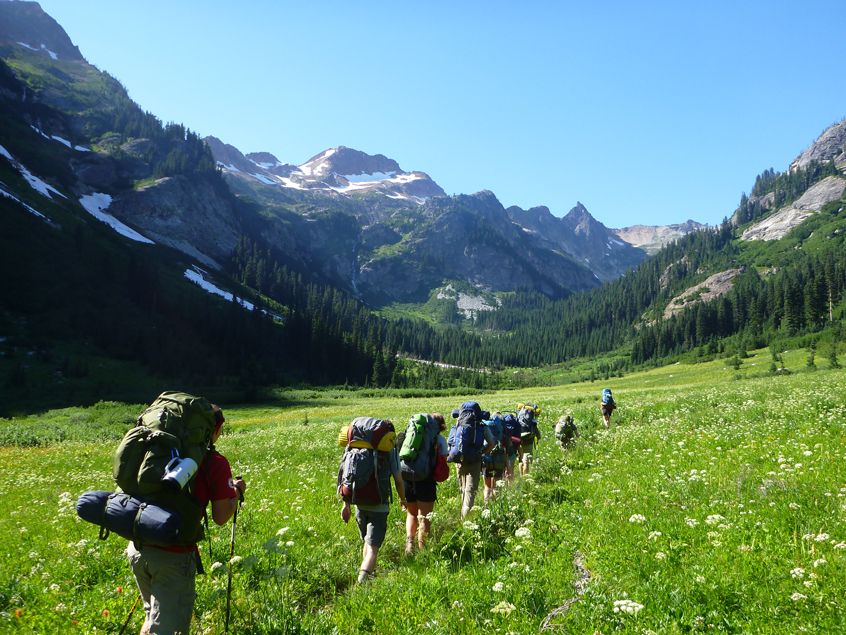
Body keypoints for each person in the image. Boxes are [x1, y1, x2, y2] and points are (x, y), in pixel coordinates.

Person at [126, 405, 247, 635]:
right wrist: (237, 493)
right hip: (173, 556)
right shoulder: (215, 462)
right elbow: (221, 517)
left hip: (137, 544)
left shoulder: (159, 452)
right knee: (167, 629)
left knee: (152, 616)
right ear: (215, 429)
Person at [340, 419, 407, 583]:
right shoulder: (389, 450)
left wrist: (345, 504)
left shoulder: (353, 448)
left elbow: (345, 477)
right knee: (372, 547)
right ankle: (362, 582)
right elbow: (398, 481)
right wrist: (403, 499)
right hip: (379, 503)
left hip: (358, 501)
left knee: (366, 542)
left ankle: (368, 574)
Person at [403, 413, 449, 554]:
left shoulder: (412, 434)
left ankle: (410, 544)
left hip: (407, 477)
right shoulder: (439, 439)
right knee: (424, 517)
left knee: (411, 513)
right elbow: (443, 461)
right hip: (426, 479)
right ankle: (423, 552)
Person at [449, 403, 495, 519]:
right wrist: (481, 452)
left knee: (463, 489)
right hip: (474, 460)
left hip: (459, 460)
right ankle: (465, 519)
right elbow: (492, 444)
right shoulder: (481, 427)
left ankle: (462, 515)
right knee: (470, 490)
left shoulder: (457, 426)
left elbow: (450, 444)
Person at [482, 412, 511, 502]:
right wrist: (507, 467)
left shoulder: (484, 431)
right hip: (499, 462)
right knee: (496, 486)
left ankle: (486, 504)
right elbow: (507, 453)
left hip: (486, 461)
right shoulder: (502, 435)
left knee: (487, 486)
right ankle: (496, 504)